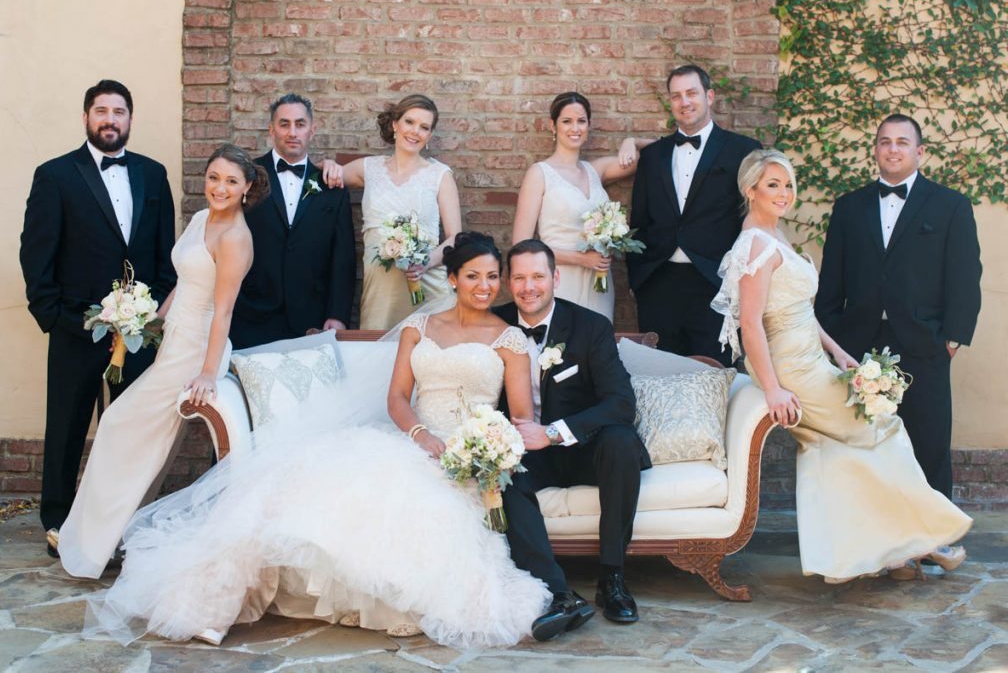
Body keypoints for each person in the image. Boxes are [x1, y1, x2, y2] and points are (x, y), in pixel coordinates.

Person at [82, 232, 550, 649]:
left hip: (465, 456)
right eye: (473, 276)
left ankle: (385, 601)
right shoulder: (419, 328)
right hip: (412, 440)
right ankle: (211, 606)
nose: (484, 286)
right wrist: (420, 435)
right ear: (452, 279)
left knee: (421, 510)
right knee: (293, 488)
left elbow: (521, 419)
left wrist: (481, 451)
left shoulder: (509, 340)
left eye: (493, 277)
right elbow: (397, 398)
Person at [711, 149, 972, 583]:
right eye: (772, 185)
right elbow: (751, 324)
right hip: (791, 369)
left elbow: (800, 311)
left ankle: (887, 553)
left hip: (811, 358)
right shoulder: (754, 244)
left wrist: (838, 352)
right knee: (882, 427)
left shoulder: (775, 235)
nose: (784, 193)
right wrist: (773, 389)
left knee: (840, 449)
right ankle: (927, 539)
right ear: (750, 190)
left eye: (788, 184)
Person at [52, 144, 263, 578]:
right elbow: (183, 284)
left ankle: (98, 540)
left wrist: (208, 372)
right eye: (214, 178)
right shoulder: (202, 219)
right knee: (143, 442)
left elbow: (223, 311)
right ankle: (106, 538)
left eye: (231, 181)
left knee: (117, 423)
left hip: (196, 350)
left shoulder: (235, 238)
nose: (219, 188)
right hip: (174, 341)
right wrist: (148, 324)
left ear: (247, 188)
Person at [19, 79, 177, 557]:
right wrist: (53, 316)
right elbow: (36, 252)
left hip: (138, 330)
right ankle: (58, 522)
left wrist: (150, 312)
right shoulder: (55, 175)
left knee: (129, 430)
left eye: (119, 111)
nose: (110, 120)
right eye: (102, 111)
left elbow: (163, 251)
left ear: (130, 119)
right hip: (76, 327)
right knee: (67, 428)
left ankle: (121, 522)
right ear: (86, 117)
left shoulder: (153, 174)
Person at [815, 114, 982, 501]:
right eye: (885, 141)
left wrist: (951, 341)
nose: (893, 149)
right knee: (861, 445)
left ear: (919, 152)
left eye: (902, 142)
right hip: (858, 343)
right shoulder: (848, 207)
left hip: (925, 344)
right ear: (875, 150)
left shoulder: (951, 206)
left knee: (928, 443)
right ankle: (868, 528)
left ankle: (933, 530)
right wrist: (832, 336)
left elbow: (964, 277)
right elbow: (832, 278)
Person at [493, 240, 650, 637]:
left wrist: (551, 433)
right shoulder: (492, 326)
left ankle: (612, 579)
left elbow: (621, 403)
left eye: (538, 277)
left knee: (621, 441)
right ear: (509, 283)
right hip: (526, 455)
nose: (529, 287)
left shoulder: (590, 327)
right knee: (501, 473)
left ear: (555, 278)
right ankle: (559, 594)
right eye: (520, 278)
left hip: (583, 448)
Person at [627, 64, 761, 364]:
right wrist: (639, 280)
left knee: (714, 376)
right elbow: (639, 221)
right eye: (676, 96)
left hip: (715, 284)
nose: (684, 102)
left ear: (709, 96)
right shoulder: (653, 156)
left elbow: (753, 222)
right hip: (658, 285)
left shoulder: (743, 151)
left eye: (691, 93)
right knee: (659, 375)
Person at [511, 92, 655, 322]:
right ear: (553, 125)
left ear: (589, 125)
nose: (575, 128)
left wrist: (632, 141)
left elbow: (658, 152)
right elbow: (521, 245)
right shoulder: (540, 174)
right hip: (559, 280)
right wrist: (581, 259)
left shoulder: (596, 170)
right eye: (567, 121)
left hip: (598, 283)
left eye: (581, 121)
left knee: (598, 340)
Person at [322, 94, 462, 330]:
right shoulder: (369, 168)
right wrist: (328, 164)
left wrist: (425, 263)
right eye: (409, 122)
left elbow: (455, 238)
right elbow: (321, 178)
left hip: (427, 287)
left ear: (429, 136)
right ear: (395, 124)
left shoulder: (440, 175)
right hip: (380, 292)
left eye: (424, 127)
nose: (415, 131)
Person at [229, 94, 356, 350]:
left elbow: (343, 256)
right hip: (251, 314)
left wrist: (338, 314)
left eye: (300, 124)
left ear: (312, 130)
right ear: (271, 129)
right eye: (284, 124)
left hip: (312, 316)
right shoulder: (247, 177)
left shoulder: (331, 185)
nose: (292, 132)